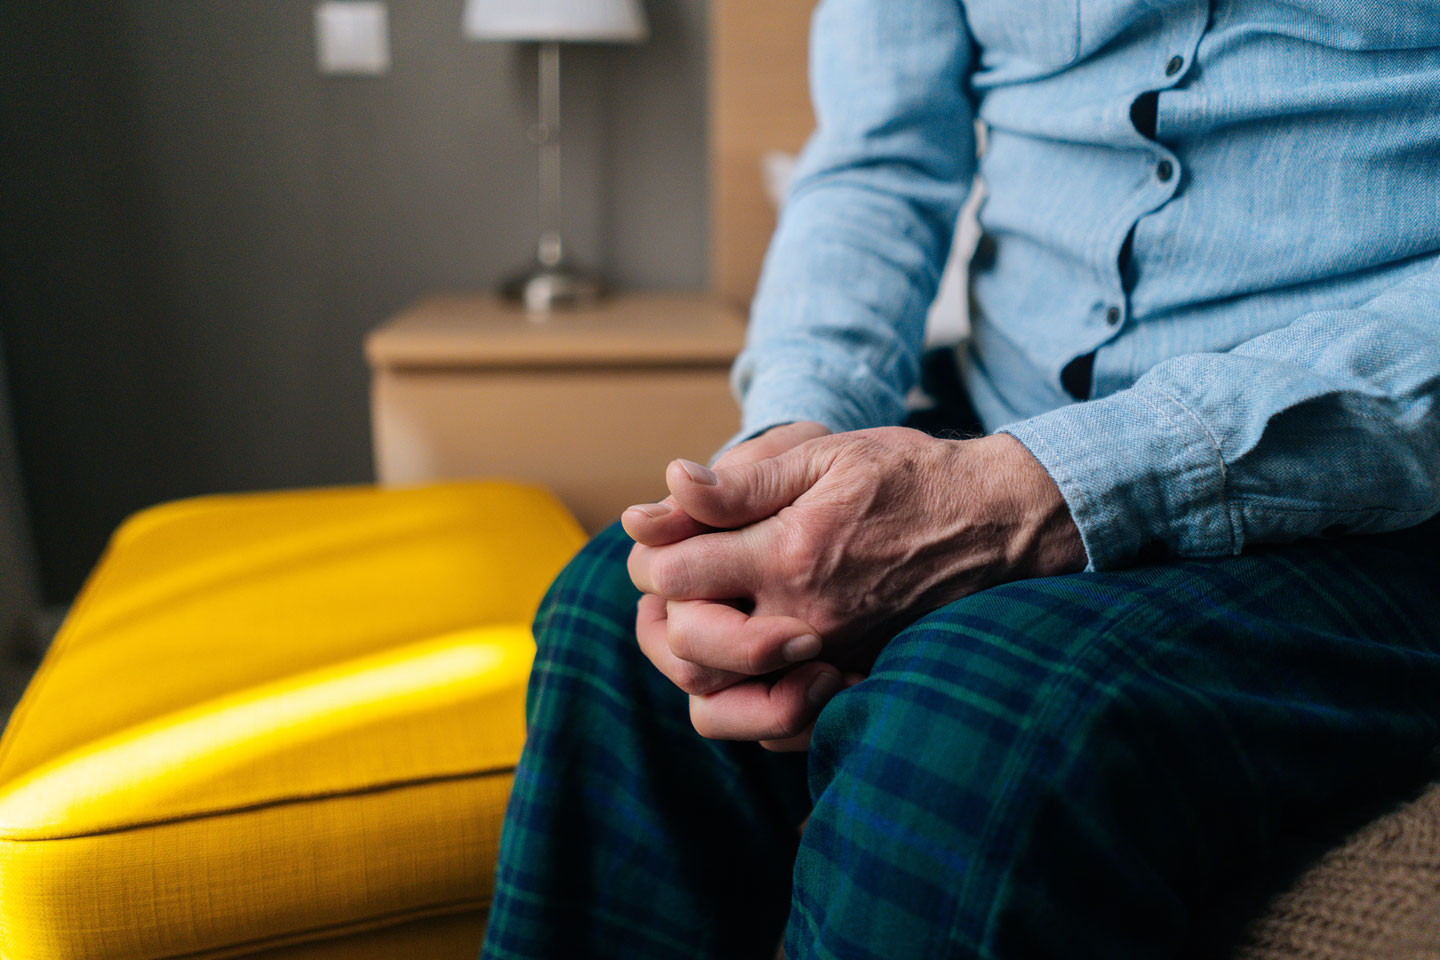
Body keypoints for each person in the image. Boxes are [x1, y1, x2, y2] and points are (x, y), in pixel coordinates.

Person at [481, 1, 1440, 957]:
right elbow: (877, 167)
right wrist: (791, 434)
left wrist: (1037, 491)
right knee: (624, 608)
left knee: (969, 719)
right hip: (996, 413)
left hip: (1360, 491)